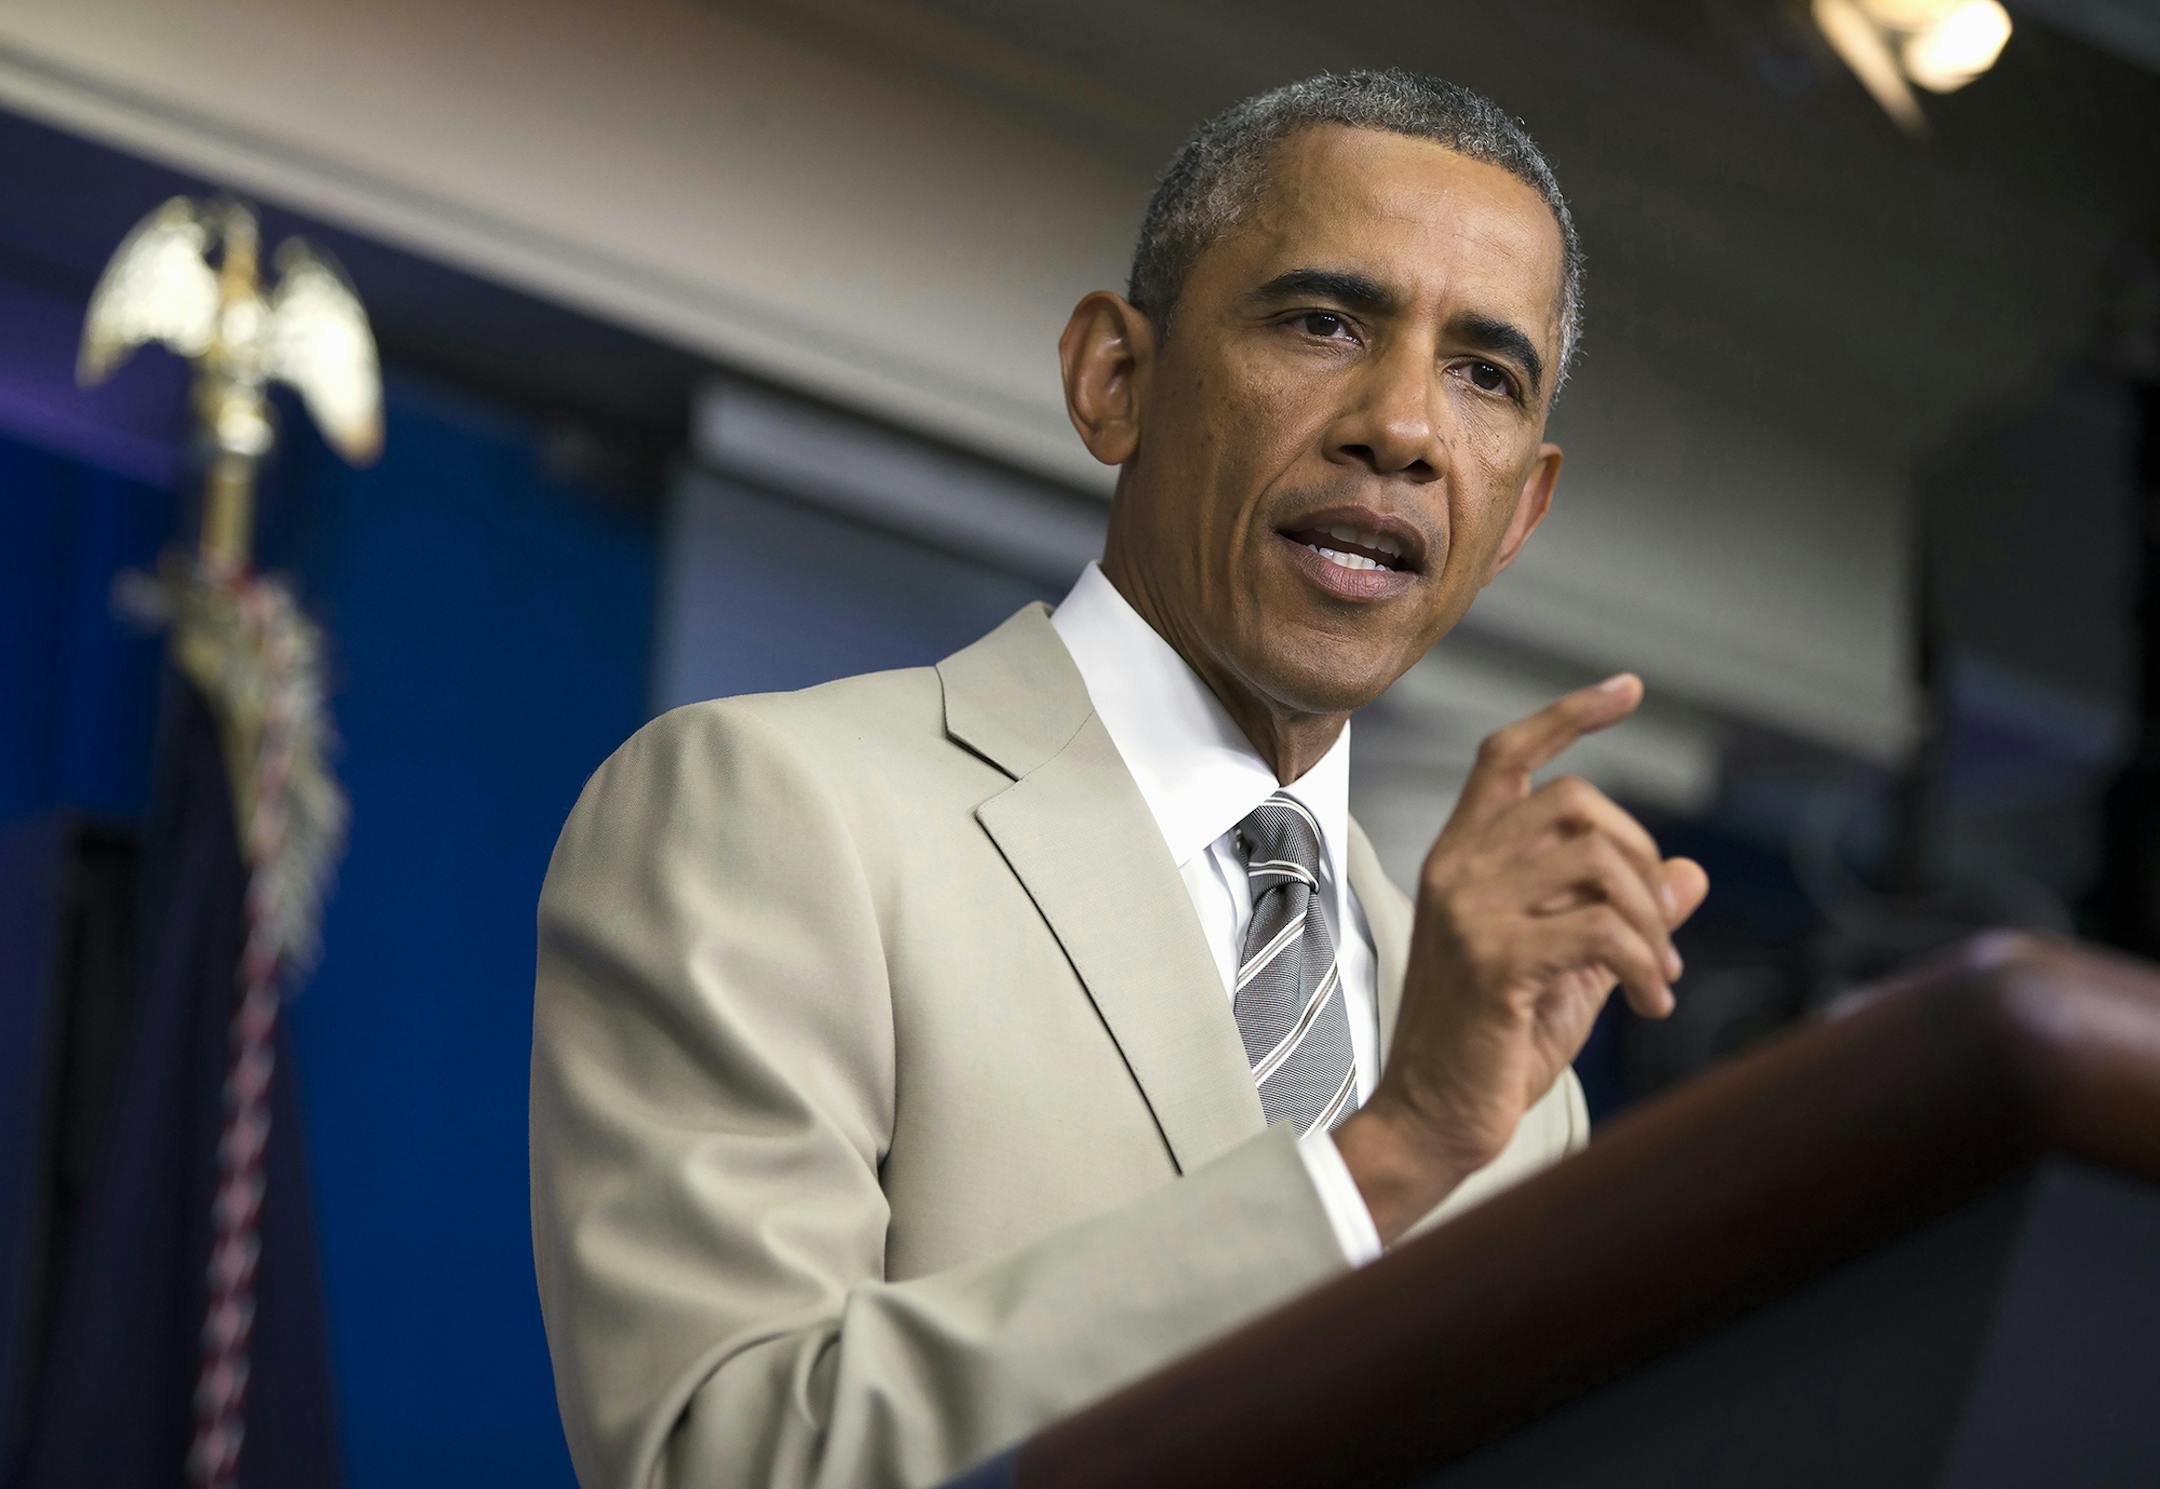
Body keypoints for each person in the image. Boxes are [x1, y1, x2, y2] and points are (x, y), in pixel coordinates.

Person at [530, 68, 1709, 1489]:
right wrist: (1378, 1163)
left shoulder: (1532, 1099)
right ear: (1115, 379)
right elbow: (723, 1460)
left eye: (1484, 374)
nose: (1402, 426)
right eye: (1325, 321)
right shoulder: (771, 807)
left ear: (1518, 507)